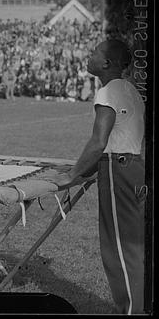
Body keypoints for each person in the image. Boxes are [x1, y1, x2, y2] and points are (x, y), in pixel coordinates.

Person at [47, 39, 145, 314]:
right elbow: (120, 140)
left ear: (105, 63)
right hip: (134, 167)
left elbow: (99, 142)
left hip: (119, 172)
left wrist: (72, 175)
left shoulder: (108, 93)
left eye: (94, 53)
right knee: (134, 247)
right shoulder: (130, 90)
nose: (89, 56)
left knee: (119, 251)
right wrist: (85, 171)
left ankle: (130, 311)